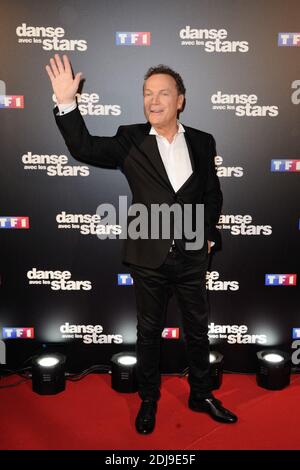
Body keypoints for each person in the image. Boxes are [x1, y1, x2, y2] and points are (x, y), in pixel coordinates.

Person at [46, 54, 238, 434]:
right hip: (147, 257)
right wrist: (67, 103)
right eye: (147, 93)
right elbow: (83, 147)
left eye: (163, 93)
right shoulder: (129, 138)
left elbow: (213, 195)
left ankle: (201, 394)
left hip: (192, 256)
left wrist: (208, 232)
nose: (153, 100)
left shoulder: (202, 141)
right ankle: (149, 399)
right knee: (148, 332)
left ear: (180, 100)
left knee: (198, 330)